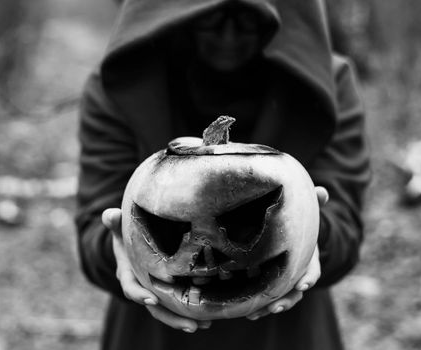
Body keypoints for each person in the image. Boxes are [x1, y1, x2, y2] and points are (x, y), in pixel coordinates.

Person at [75, 0, 370, 349]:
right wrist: (117, 249)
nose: (229, 38)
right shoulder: (120, 83)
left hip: (286, 335)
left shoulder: (329, 84)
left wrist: (314, 232)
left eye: (247, 22)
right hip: (153, 335)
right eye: (211, 21)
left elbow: (345, 231)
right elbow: (95, 230)